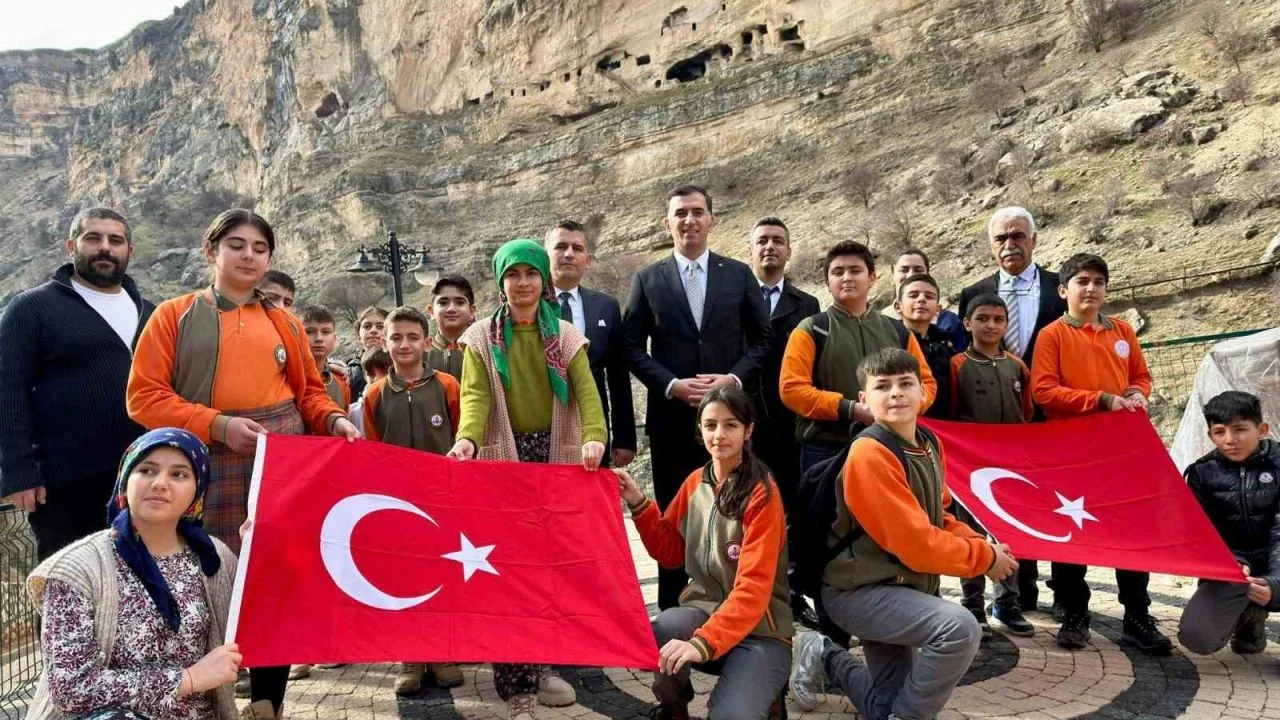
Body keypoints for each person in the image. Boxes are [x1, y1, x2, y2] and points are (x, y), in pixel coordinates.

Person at [126, 209, 361, 719]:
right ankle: (198, 699)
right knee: (197, 576)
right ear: (211, 251)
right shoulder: (173, 316)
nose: (249, 256)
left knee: (272, 579)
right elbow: (143, 397)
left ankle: (267, 704)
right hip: (197, 463)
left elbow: (309, 393)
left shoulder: (285, 323)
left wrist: (334, 419)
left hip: (277, 464)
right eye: (236, 245)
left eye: (260, 248)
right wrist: (217, 425)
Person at [789, 348, 1018, 720]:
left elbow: (939, 515)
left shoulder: (928, 443)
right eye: (882, 386)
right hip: (856, 593)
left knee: (882, 707)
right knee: (958, 628)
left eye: (905, 383)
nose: (895, 393)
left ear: (922, 392)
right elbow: (915, 544)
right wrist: (986, 559)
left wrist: (983, 546)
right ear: (864, 399)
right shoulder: (869, 453)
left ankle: (823, 653)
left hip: (900, 588)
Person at [446, 238, 607, 720]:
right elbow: (475, 396)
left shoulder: (566, 336)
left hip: (555, 460)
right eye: (512, 275)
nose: (522, 283)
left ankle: (544, 665)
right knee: (507, 572)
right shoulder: (480, 338)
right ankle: (517, 685)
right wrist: (468, 439)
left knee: (548, 570)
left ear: (543, 279)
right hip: (503, 462)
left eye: (531, 273)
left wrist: (594, 437)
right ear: (501, 283)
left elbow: (587, 392)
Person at [624, 185, 773, 611]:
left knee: (735, 513)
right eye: (680, 214)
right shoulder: (647, 279)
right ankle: (674, 611)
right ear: (666, 223)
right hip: (673, 420)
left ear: (711, 220)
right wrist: (671, 384)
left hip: (730, 421)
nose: (689, 220)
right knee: (674, 515)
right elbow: (631, 346)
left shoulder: (738, 275)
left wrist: (732, 379)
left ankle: (738, 606)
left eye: (697, 212)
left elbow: (764, 340)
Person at [25, 428, 241, 720]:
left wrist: (260, 549)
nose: (160, 483)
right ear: (125, 481)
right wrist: (187, 679)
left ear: (197, 491)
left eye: (179, 474)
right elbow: (72, 690)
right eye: (147, 470)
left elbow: (262, 627)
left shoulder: (215, 559)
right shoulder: (77, 568)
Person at [615, 387, 792, 720]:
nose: (719, 434)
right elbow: (669, 553)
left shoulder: (762, 493)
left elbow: (753, 590)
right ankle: (674, 706)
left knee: (730, 716)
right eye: (711, 425)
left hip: (761, 630)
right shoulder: (695, 482)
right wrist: (638, 502)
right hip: (705, 613)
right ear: (700, 430)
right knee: (665, 626)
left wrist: (701, 643)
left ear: (748, 430)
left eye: (730, 425)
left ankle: (770, 696)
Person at [1030, 252, 1170, 655]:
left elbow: (1141, 375)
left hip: (1119, 451)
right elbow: (1043, 391)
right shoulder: (1052, 335)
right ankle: (1074, 613)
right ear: (1063, 291)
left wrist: (1136, 393)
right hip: (1071, 452)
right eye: (1082, 281)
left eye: (1098, 282)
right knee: (1072, 529)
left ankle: (1137, 616)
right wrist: (1102, 400)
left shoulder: (1122, 331)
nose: (1090, 288)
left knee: (1130, 531)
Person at [0, 207, 156, 560]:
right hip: (66, 482)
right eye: (93, 238)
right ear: (71, 246)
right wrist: (19, 472)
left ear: (129, 251)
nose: (105, 248)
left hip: (141, 475)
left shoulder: (150, 312)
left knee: (138, 577)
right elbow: (8, 392)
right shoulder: (32, 308)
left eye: (115, 240)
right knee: (69, 581)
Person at [957, 206, 1065, 612]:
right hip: (987, 426)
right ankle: (1009, 593)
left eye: (1018, 235)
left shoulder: (1059, 286)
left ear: (1033, 240)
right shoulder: (974, 292)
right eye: (1001, 238)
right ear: (991, 246)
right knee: (997, 505)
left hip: (1046, 418)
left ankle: (1053, 593)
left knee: (1047, 506)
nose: (1010, 244)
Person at [359, 306, 465, 693]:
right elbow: (372, 449)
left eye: (412, 337)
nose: (404, 344)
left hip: (442, 500)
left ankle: (442, 653)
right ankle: (411, 656)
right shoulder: (373, 394)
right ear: (385, 343)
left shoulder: (448, 386)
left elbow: (461, 436)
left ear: (426, 341)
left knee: (442, 574)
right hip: (396, 504)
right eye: (396, 338)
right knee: (403, 578)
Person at [745, 216, 820, 627]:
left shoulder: (807, 305)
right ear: (750, 250)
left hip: (791, 426)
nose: (770, 247)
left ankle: (789, 592)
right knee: (745, 507)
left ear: (789, 250)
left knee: (790, 511)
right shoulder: (735, 298)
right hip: (746, 421)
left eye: (778, 240)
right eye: (762, 241)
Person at [948, 294, 1035, 638]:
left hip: (1010, 467)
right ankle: (972, 603)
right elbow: (950, 414)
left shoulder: (1017, 366)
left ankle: (1007, 602)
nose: (991, 325)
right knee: (970, 534)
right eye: (983, 319)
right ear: (967, 323)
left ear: (1006, 325)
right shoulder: (957, 365)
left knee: (1008, 534)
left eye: (998, 320)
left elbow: (1026, 412)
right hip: (968, 469)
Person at [1178, 391, 1280, 655]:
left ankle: (1260, 602)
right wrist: (1231, 562)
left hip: (1277, 558)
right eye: (1220, 432)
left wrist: (1275, 583)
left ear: (1262, 430)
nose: (1230, 440)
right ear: (1210, 435)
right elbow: (1201, 533)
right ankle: (1249, 616)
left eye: (1240, 429)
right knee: (1197, 637)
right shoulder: (1201, 473)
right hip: (1234, 568)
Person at [547, 220, 637, 471]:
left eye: (577, 248)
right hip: (543, 426)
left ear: (587, 260)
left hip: (592, 428)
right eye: (561, 246)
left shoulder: (606, 306)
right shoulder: (529, 304)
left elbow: (618, 376)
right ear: (545, 256)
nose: (568, 254)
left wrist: (624, 438)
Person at [895, 273, 959, 420]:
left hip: (943, 426)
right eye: (913, 295)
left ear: (938, 309)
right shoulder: (889, 341)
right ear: (898, 307)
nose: (921, 299)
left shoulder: (947, 346)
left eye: (929, 296)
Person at [881, 248, 966, 350]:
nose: (911, 275)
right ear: (892, 278)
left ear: (928, 275)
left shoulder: (948, 321)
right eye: (904, 270)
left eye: (918, 270)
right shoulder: (880, 322)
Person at [425, 276, 476, 379]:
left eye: (460, 302)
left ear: (472, 310)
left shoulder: (482, 350)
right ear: (431, 311)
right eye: (443, 303)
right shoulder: (421, 353)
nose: (451, 309)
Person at [302, 305, 351, 410]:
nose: (319, 338)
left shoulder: (341, 380)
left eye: (325, 332)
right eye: (309, 332)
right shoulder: (289, 377)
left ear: (335, 339)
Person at [347, 347, 392, 436]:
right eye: (371, 374)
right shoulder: (351, 413)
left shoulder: (410, 406)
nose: (376, 378)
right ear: (364, 376)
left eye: (385, 372)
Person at [346, 306, 389, 399]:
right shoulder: (348, 372)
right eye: (367, 326)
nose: (373, 330)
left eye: (380, 326)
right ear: (359, 335)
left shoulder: (400, 365)